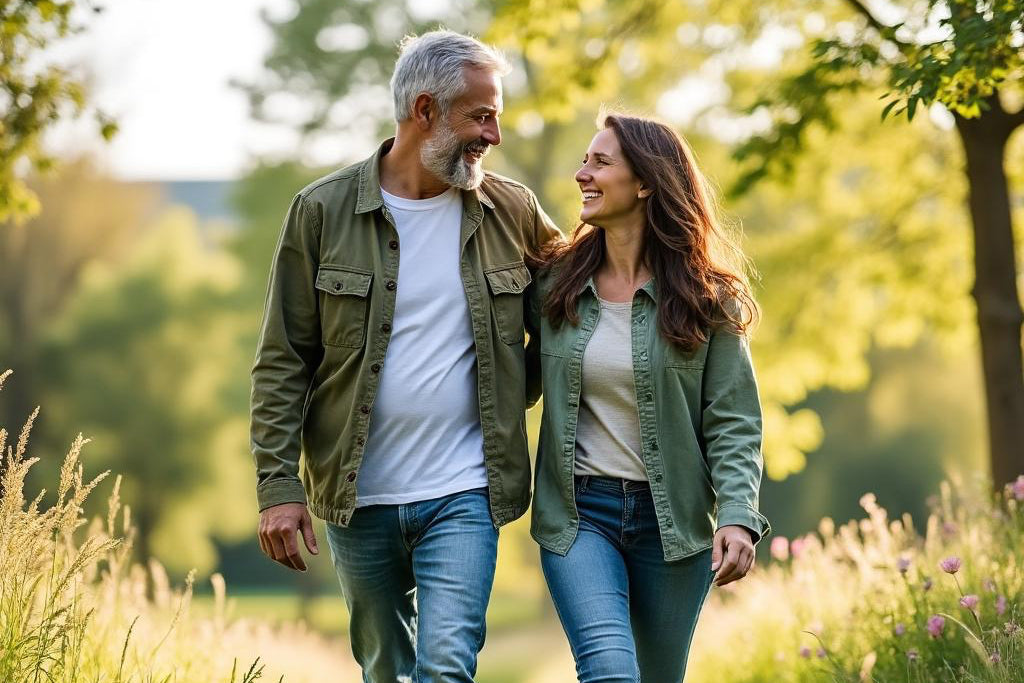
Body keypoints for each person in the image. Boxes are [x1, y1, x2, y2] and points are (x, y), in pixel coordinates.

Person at [250, 30, 560, 683]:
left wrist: (515, 391)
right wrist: (278, 486)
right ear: (425, 111)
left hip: (466, 489)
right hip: (358, 492)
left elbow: (577, 312)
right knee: (386, 667)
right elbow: (283, 359)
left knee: (445, 663)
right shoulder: (321, 212)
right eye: (482, 115)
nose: (494, 136)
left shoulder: (513, 212)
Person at [527, 112, 770, 683]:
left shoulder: (709, 298)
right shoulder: (555, 283)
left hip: (674, 525)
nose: (581, 173)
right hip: (579, 515)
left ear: (644, 183)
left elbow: (733, 420)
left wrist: (737, 516)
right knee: (610, 667)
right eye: (585, 160)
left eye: (600, 162)